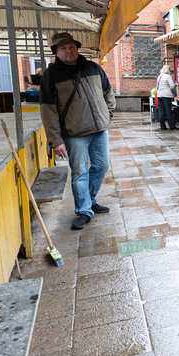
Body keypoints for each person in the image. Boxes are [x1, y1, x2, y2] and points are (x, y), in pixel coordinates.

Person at [40, 32, 116, 230]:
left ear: (77, 48)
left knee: (101, 166)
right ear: (56, 52)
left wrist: (107, 115)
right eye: (63, 48)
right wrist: (56, 140)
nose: (68, 51)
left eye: (71, 46)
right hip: (74, 135)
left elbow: (108, 92)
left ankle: (90, 200)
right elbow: (48, 111)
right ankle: (83, 211)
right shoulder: (51, 76)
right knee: (80, 172)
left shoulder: (93, 68)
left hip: (99, 130)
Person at [156, 65, 178, 130]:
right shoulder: (168, 76)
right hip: (167, 96)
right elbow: (172, 86)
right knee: (168, 111)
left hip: (160, 95)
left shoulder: (159, 76)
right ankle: (171, 126)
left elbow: (157, 87)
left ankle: (162, 126)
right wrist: (173, 92)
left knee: (161, 111)